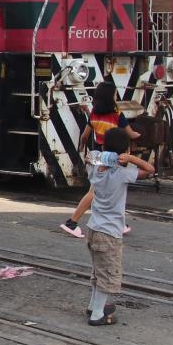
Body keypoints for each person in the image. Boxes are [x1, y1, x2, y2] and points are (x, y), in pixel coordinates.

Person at [82, 127, 154, 326]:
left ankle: (93, 305)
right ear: (125, 150)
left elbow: (91, 155)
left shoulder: (94, 166)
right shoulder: (124, 173)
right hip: (110, 232)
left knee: (98, 272)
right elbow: (150, 170)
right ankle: (98, 315)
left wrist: (104, 156)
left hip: (93, 228)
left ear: (104, 145)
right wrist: (131, 159)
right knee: (108, 274)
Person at [60, 81, 140, 238]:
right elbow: (131, 134)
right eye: (115, 94)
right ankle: (72, 221)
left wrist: (82, 147)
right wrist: (142, 135)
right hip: (112, 158)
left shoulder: (94, 114)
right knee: (97, 190)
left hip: (97, 154)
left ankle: (120, 223)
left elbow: (85, 135)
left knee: (110, 189)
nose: (117, 96)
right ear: (111, 97)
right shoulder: (117, 116)